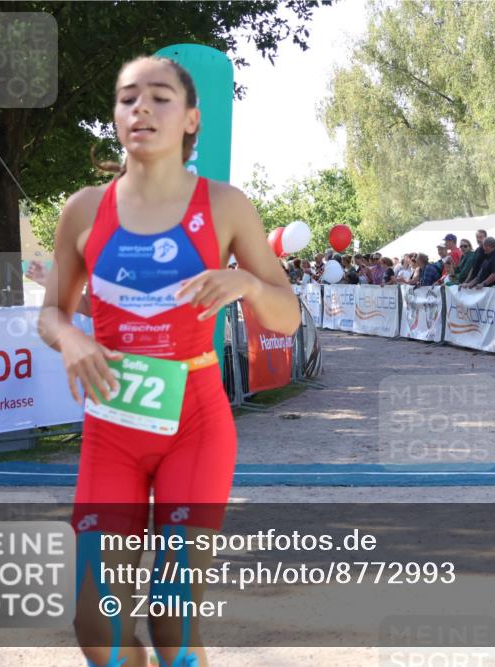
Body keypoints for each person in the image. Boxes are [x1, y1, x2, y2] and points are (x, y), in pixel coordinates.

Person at [37, 55, 299, 667]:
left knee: (171, 622)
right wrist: (72, 339)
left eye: (159, 97)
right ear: (115, 115)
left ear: (190, 119)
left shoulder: (226, 206)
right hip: (112, 429)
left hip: (196, 426)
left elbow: (286, 314)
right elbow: (51, 312)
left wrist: (248, 286)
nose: (142, 109)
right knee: (97, 627)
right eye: (128, 97)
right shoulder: (83, 209)